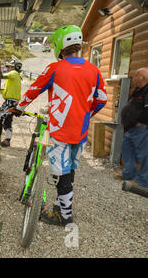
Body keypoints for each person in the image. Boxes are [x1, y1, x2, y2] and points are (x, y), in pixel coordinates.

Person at [11, 25, 108, 226]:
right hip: (81, 131)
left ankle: (65, 216)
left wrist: (19, 108)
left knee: (60, 173)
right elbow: (102, 99)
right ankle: (61, 205)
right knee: (70, 170)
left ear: (60, 46)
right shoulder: (94, 70)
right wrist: (87, 114)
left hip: (59, 130)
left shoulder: (56, 68)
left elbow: (34, 90)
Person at [114, 67, 148, 188]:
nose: (133, 78)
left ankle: (143, 181)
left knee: (144, 154)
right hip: (132, 128)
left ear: (143, 78)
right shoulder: (138, 90)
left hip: (142, 129)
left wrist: (141, 122)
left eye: (136, 76)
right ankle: (129, 174)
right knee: (126, 148)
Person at [0, 60, 22, 147]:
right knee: (7, 121)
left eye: (8, 67)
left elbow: (2, 76)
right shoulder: (14, 78)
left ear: (13, 67)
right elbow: (6, 91)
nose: (7, 68)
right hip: (13, 102)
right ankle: (7, 140)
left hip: (10, 102)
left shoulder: (13, 73)